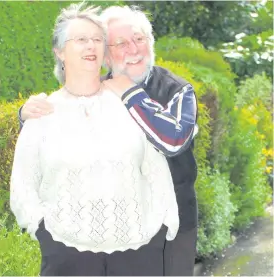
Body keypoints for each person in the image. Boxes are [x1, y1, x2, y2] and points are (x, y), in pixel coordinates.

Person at [11, 3, 196, 276]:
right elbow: (24, 181)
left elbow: (166, 152)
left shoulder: (162, 93)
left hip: (147, 242)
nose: (132, 50)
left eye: (97, 40)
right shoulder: (48, 109)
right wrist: (45, 231)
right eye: (119, 43)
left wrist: (160, 225)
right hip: (67, 251)